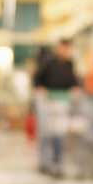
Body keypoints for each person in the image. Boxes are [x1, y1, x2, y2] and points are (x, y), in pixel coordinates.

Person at [34, 38, 79, 176]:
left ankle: (58, 163)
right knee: (46, 134)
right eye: (62, 48)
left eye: (67, 48)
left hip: (62, 104)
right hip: (48, 103)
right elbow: (37, 79)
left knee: (60, 135)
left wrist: (74, 90)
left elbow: (74, 82)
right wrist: (41, 89)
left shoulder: (70, 64)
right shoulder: (48, 63)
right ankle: (44, 163)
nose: (65, 51)